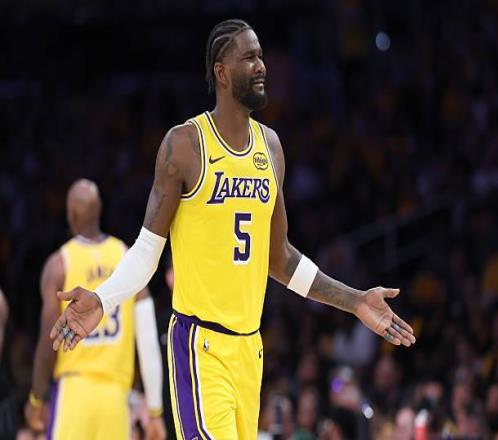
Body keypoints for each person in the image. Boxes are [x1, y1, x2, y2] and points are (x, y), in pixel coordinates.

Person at [49, 19, 416, 439]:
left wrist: (355, 301)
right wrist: (103, 298)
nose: (261, 66)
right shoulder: (184, 145)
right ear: (221, 72)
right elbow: (148, 252)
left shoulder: (271, 147)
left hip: (249, 350)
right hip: (199, 347)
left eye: (261, 56)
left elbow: (280, 258)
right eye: (249, 58)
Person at [25, 179, 166, 440]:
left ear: (71, 214)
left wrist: (37, 397)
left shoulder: (59, 264)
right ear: (100, 210)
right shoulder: (127, 258)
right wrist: (155, 410)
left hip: (73, 393)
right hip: (115, 398)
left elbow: (48, 340)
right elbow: (147, 339)